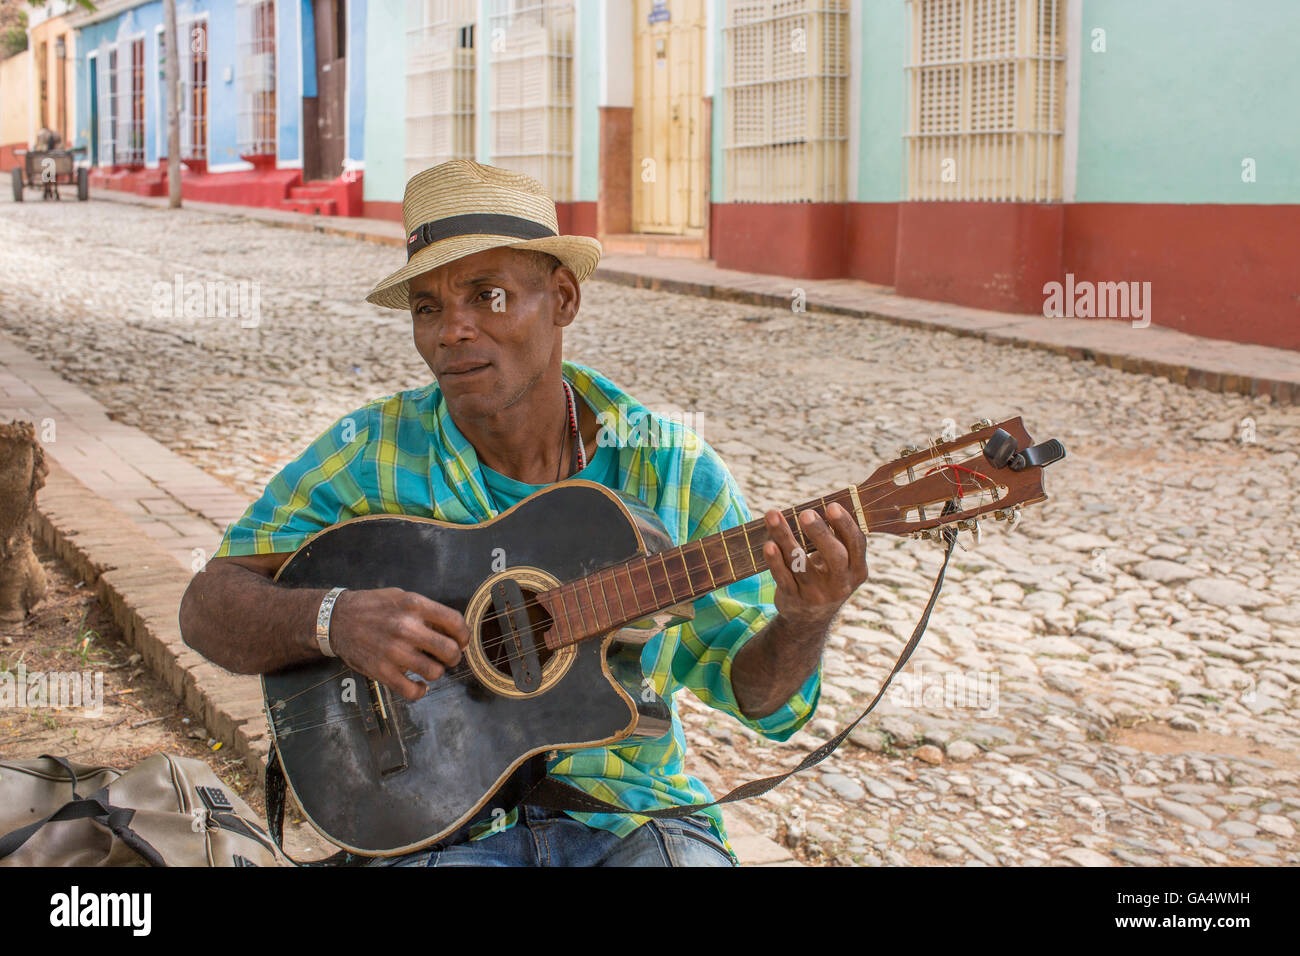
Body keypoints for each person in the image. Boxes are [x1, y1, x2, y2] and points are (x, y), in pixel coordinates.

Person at [179, 160, 869, 866]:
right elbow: (206, 604)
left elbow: (758, 697)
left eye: (489, 295)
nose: (453, 331)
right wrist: (332, 619)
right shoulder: (372, 452)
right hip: (434, 832)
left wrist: (805, 618)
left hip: (630, 822)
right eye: (428, 307)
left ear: (562, 298)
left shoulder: (666, 468)